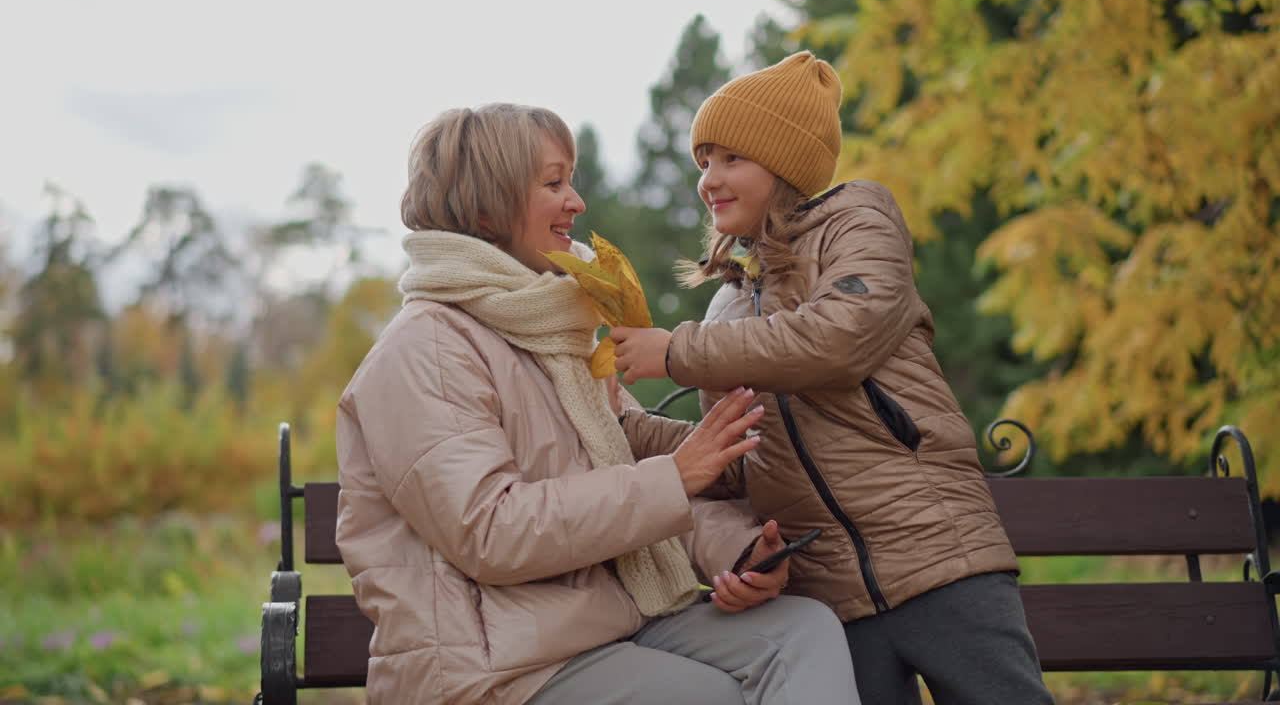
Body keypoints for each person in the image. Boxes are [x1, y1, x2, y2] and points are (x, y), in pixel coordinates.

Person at [333, 102, 861, 705]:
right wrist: (676, 477)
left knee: (802, 631)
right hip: (498, 668)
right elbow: (492, 533)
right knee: (709, 696)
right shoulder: (423, 349)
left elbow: (619, 475)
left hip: (606, 622)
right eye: (553, 183)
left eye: (571, 181)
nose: (576, 202)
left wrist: (737, 553)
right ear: (485, 208)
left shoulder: (555, 327)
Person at [611, 52, 1055, 705]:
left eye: (731, 158)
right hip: (828, 599)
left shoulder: (859, 220)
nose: (709, 180)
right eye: (703, 161)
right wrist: (624, 425)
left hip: (937, 559)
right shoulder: (726, 307)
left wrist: (675, 352)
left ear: (785, 163)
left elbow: (838, 338)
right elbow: (738, 460)